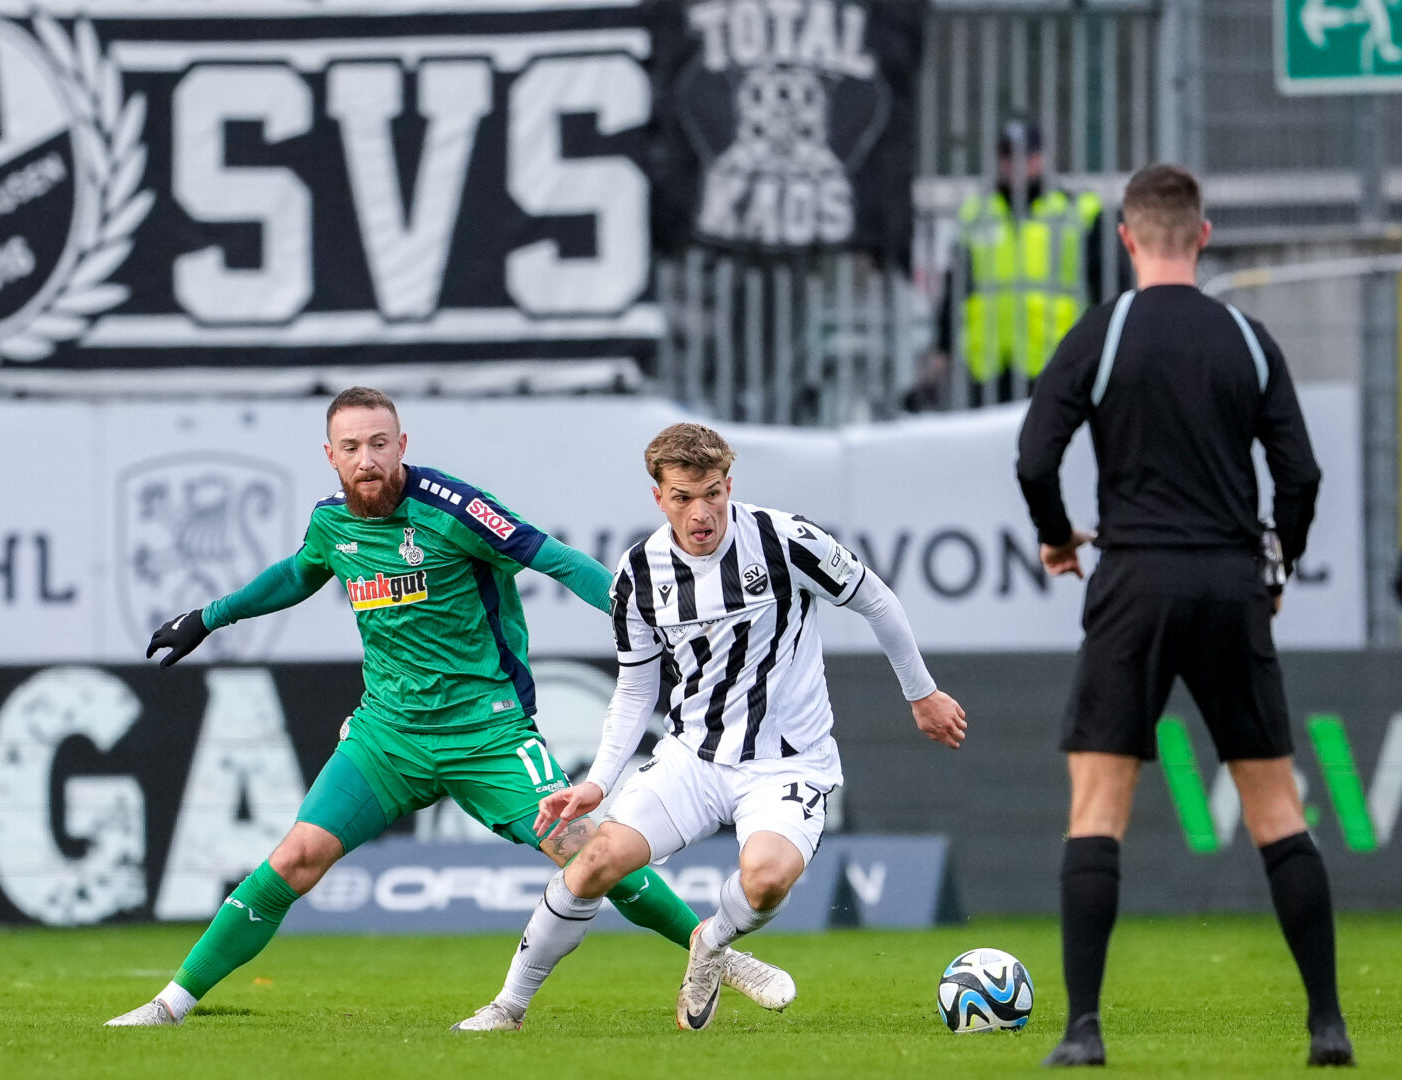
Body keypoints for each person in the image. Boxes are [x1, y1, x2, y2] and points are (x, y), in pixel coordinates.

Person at [105, 388, 793, 1027]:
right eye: (352, 447)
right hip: (387, 737)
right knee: (295, 858)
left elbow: (554, 559)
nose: (367, 460)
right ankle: (169, 1006)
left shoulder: (454, 509)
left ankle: (717, 954)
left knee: (590, 852)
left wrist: (647, 615)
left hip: (486, 734)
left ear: (402, 445)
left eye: (380, 444)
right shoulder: (331, 523)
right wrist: (209, 617)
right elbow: (296, 573)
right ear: (331, 456)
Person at [453, 422, 967, 1033]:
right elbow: (636, 687)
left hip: (788, 763)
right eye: (683, 497)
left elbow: (875, 599)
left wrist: (922, 692)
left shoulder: (785, 540)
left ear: (729, 485)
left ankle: (711, 943)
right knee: (594, 861)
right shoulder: (639, 572)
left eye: (712, 494)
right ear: (658, 497)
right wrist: (598, 781)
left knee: (767, 880)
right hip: (693, 758)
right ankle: (508, 1007)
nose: (701, 513)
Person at [1015, 165, 1350, 1067]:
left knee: (1097, 808)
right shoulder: (1245, 337)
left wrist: (1057, 537)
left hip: (1134, 582)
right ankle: (1327, 1025)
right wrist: (1277, 562)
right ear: (1202, 237)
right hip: (1231, 583)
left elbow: (1036, 455)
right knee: (1278, 809)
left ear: (1127, 238)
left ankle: (1084, 1031)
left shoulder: (1106, 331)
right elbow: (1302, 475)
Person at [926, 119, 1131, 410]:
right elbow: (956, 288)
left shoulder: (1077, 211)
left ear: (1042, 157)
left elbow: (1110, 286)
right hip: (990, 366)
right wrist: (941, 352)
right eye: (1008, 156)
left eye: (1026, 156)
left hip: (1058, 360)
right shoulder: (977, 215)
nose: (1017, 165)